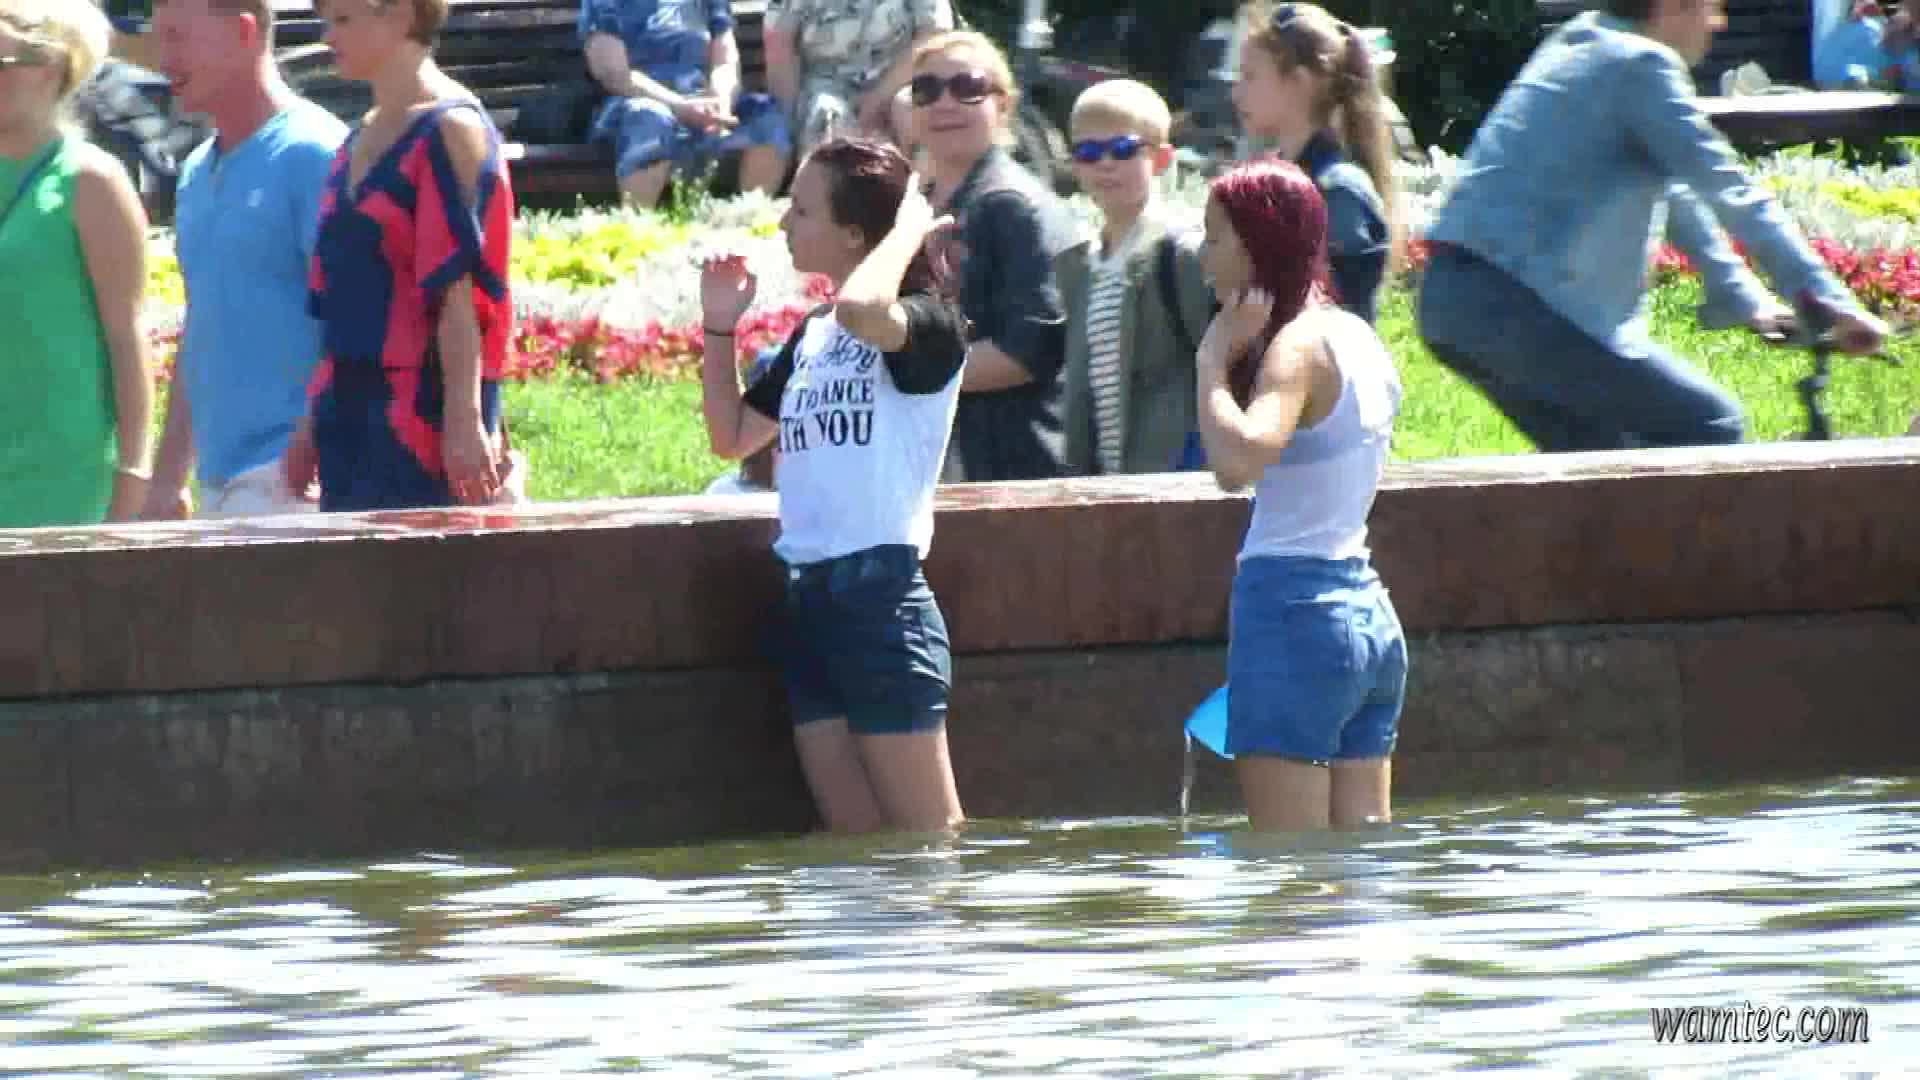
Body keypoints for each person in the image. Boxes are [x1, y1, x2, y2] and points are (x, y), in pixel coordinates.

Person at [1417, 0, 1889, 453]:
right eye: (1712, 6)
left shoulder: (1582, 38)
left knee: (1600, 461)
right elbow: (1732, 193)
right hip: (1517, 308)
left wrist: (1748, 298)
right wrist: (1830, 302)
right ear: (1673, 4)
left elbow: (1679, 196)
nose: (1718, 22)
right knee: (1709, 425)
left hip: (1451, 304)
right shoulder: (1641, 65)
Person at [698, 136, 967, 834]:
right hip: (808, 598)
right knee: (857, 849)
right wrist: (719, 328)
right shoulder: (815, 333)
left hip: (880, 599)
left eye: (802, 210)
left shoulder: (930, 322)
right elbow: (733, 436)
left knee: (927, 847)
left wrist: (908, 227)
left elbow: (865, 312)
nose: (784, 223)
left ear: (854, 233)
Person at [1195, 158, 1407, 832]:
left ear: (1257, 244)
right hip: (1367, 616)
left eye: (1214, 238)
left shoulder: (1296, 349)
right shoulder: (1355, 335)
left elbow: (1237, 461)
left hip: (1293, 613)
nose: (1203, 257)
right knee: (1360, 863)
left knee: (1286, 869)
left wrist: (1211, 365)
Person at [284, 0, 515, 512]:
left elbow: (458, 295)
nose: (328, 37)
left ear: (402, 15)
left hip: (420, 419)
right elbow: (338, 301)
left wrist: (465, 420)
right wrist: (309, 422)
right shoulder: (355, 139)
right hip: (348, 416)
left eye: (343, 20)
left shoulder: (449, 129)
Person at [144, 0, 348, 520]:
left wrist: (308, 445)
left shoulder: (314, 153)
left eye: (177, 37)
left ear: (243, 32)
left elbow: (354, 317)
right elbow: (203, 325)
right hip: (220, 483)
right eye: (160, 38)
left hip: (296, 483)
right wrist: (167, 480)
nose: (163, 60)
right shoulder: (195, 171)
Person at [0, 0, 154, 528]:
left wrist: (133, 474)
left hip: (62, 479)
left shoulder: (91, 180)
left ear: (51, 68)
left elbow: (126, 336)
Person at [911, 30, 1082, 482]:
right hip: (945, 462)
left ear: (1003, 105)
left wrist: (901, 371)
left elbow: (1025, 353)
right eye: (926, 90)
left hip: (1012, 471)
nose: (944, 104)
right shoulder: (919, 205)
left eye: (967, 87)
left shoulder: (1013, 205)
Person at [1054, 79, 1215, 476]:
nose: (1105, 164)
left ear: (1161, 158)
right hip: (1107, 482)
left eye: (1123, 149)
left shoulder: (1183, 252)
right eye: (1088, 152)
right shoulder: (1082, 265)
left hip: (1173, 477)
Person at [1232, 1, 1397, 325]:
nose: (1236, 93)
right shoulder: (1277, 179)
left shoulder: (1337, 192)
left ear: (1299, 82)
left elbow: (1340, 324)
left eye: (1250, 77)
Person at [580, 0, 791, 210]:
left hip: (700, 106)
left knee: (765, 113)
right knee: (650, 116)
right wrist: (680, 106)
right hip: (633, 104)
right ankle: (638, 218)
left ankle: (750, 214)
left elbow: (725, 61)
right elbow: (613, 73)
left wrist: (720, 106)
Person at [762, 0, 953, 159]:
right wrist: (787, 126)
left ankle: (925, 188)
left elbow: (934, 38)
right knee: (825, 116)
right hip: (827, 85)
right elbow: (780, 46)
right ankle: (832, 190)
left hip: (900, 79)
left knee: (910, 109)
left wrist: (879, 98)